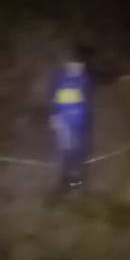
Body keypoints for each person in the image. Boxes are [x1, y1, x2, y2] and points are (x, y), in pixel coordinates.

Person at [48, 47, 94, 197]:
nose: (77, 69)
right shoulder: (58, 77)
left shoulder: (85, 78)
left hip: (80, 122)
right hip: (64, 122)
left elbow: (88, 98)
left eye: (80, 66)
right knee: (65, 151)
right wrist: (54, 116)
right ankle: (64, 180)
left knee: (80, 151)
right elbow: (52, 97)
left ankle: (78, 180)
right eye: (74, 65)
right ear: (67, 64)